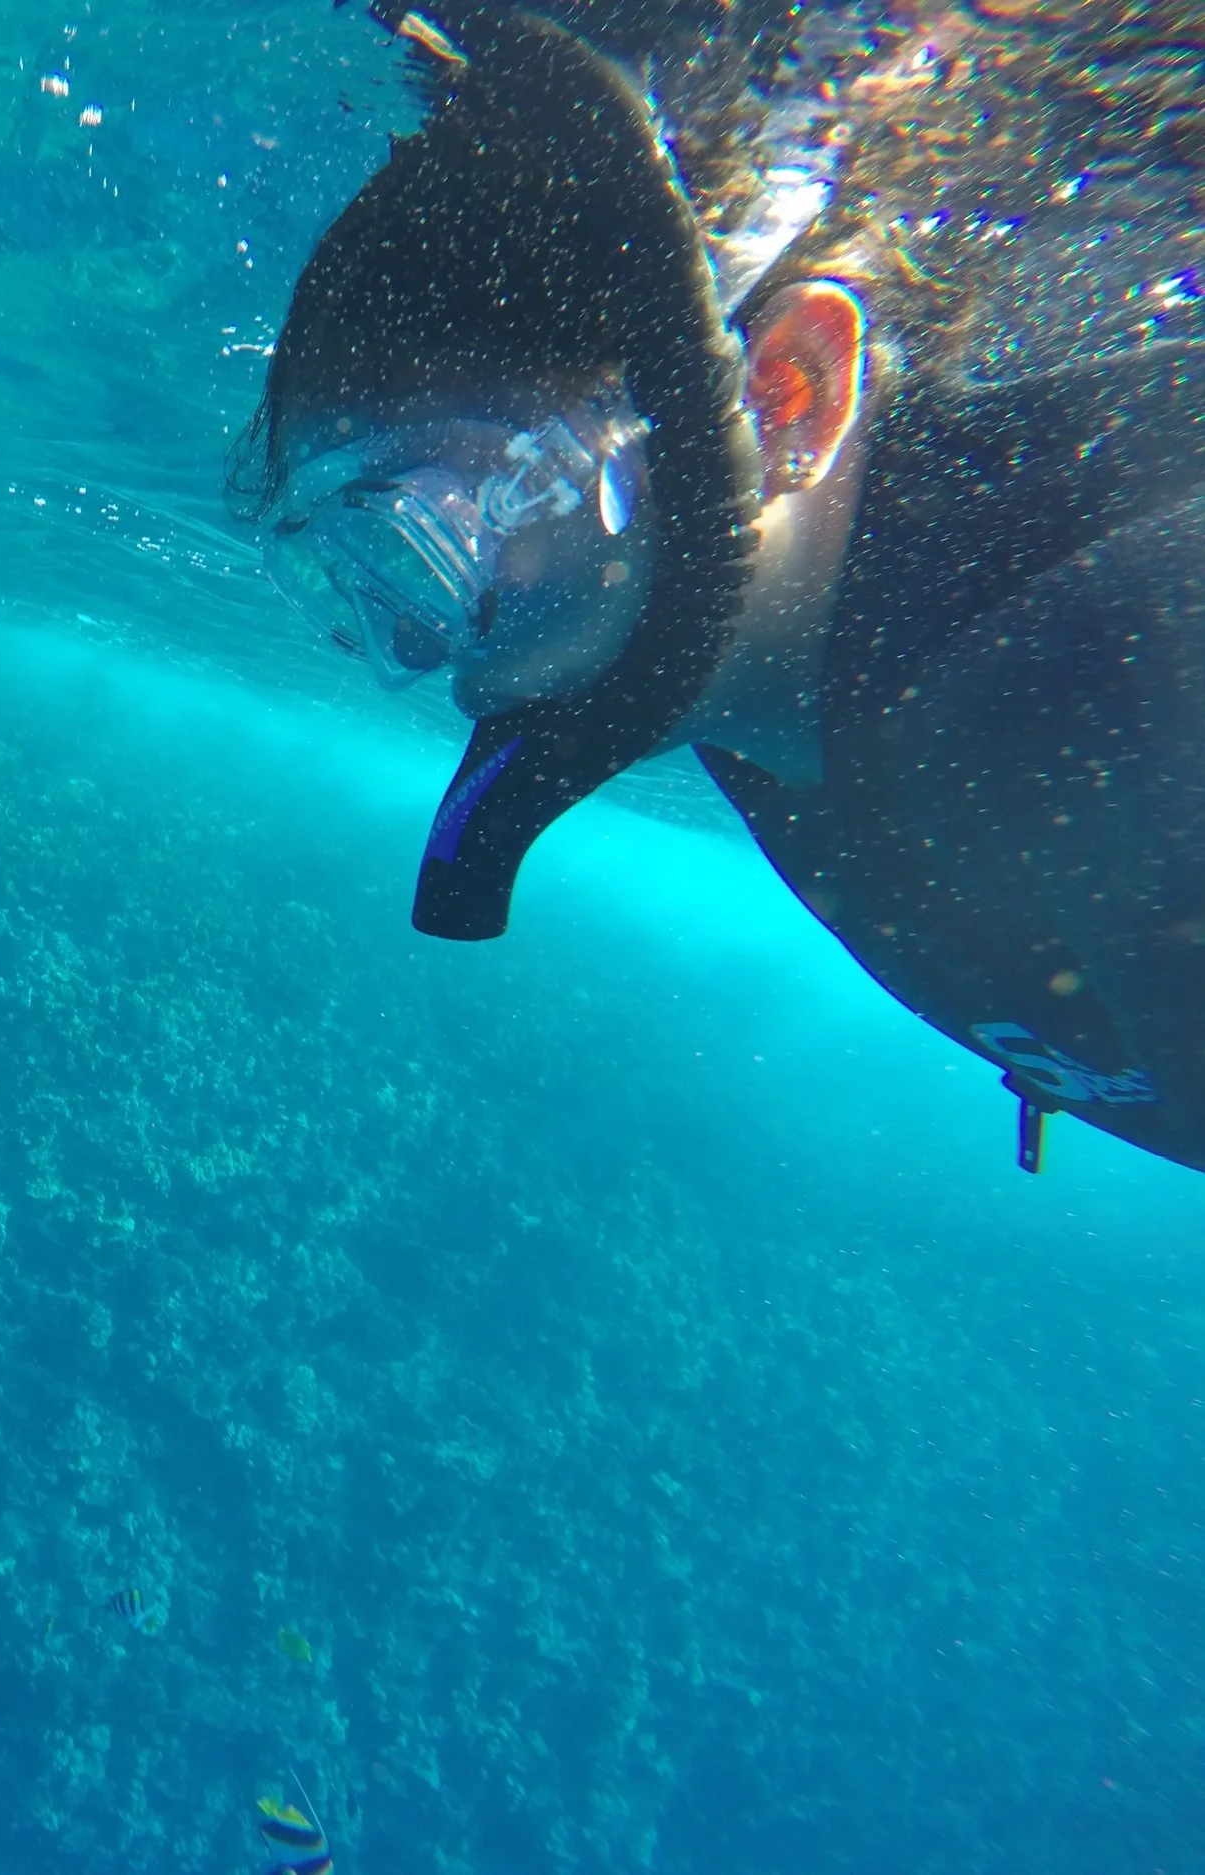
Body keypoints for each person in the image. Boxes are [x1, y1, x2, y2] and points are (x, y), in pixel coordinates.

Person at [234, 0, 1205, 1172]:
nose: (420, 632)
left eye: (432, 519)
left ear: (784, 397)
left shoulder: (1121, 668)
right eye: (339, 560)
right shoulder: (749, 680)